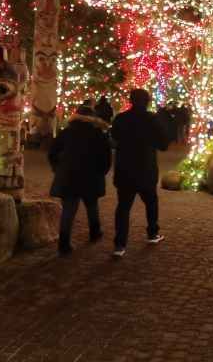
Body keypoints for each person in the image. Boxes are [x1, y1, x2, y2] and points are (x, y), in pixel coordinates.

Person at [110, 88, 168, 257]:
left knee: (123, 207)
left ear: (131, 100)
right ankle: (152, 232)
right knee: (151, 202)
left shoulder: (121, 119)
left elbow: (114, 137)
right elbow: (163, 144)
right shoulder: (152, 120)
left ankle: (120, 244)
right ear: (147, 102)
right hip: (146, 169)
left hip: (125, 169)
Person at [48, 105, 112, 256]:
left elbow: (52, 151)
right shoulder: (98, 133)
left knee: (69, 210)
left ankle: (63, 245)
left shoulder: (67, 132)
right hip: (91, 175)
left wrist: (57, 168)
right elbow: (106, 157)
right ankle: (94, 233)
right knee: (91, 205)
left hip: (68, 175)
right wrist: (101, 171)